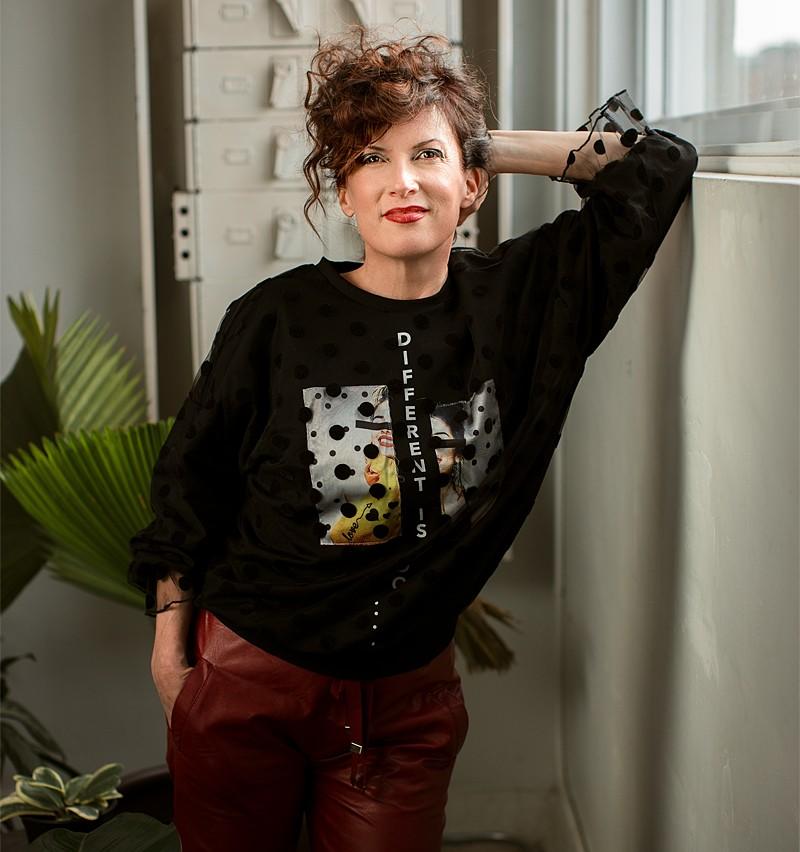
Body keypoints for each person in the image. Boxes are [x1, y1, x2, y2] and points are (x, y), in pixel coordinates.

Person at [128, 27, 698, 852]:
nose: (400, 181)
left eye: (426, 156)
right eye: (369, 159)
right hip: (250, 676)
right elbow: (190, 479)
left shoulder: (525, 300)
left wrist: (478, 143)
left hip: (405, 701)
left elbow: (660, 163)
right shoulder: (277, 316)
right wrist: (169, 650)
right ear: (344, 193)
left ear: (472, 185)